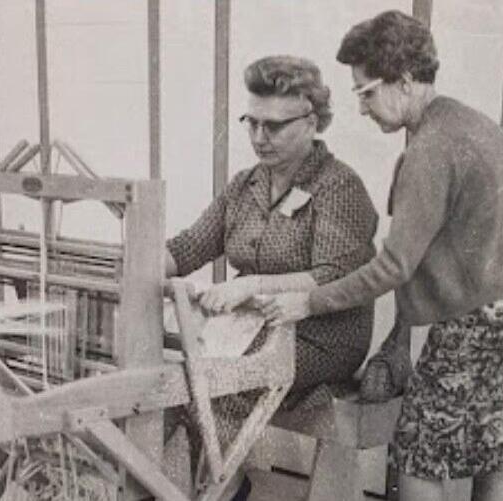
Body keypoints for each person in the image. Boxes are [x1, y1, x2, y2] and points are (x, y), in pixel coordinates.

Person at [256, 11, 503, 501]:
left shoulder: (429, 150)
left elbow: (394, 266)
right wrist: (400, 337)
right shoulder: (473, 123)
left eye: (366, 91)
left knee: (418, 453)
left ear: (403, 82)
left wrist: (310, 302)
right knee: (495, 448)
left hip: (483, 322)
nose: (361, 107)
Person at [165, 56, 378, 497]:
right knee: (178, 376)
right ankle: (205, 486)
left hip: (324, 334)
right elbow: (189, 247)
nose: (260, 137)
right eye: (252, 123)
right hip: (252, 326)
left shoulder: (339, 188)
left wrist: (251, 285)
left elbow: (335, 275)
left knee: (218, 381)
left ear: (312, 121)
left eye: (275, 126)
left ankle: (220, 486)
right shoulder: (246, 186)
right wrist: (131, 267)